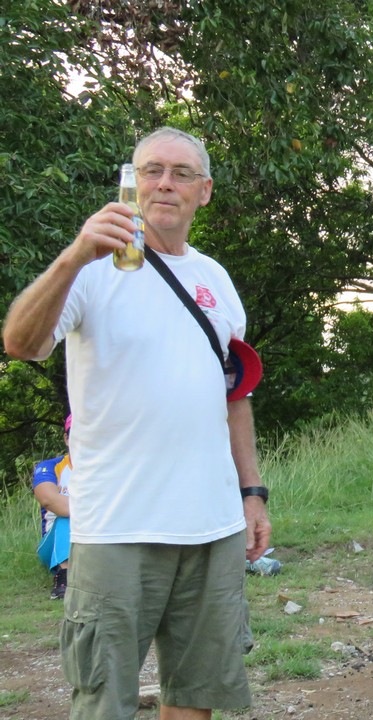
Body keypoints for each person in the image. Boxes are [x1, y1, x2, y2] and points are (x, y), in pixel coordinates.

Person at [3, 127, 271, 720]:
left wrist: (251, 493)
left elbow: (235, 394)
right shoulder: (91, 269)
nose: (165, 184)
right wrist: (75, 255)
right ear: (132, 182)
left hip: (212, 525)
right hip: (117, 526)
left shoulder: (215, 278)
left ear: (204, 191)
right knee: (104, 698)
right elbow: (20, 342)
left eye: (181, 173)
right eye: (152, 170)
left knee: (197, 696)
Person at [33, 414, 74, 600]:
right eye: (76, 434)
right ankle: (63, 576)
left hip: (96, 535)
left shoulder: (108, 467)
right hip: (54, 543)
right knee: (65, 515)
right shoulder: (51, 467)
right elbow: (49, 500)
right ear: (66, 438)